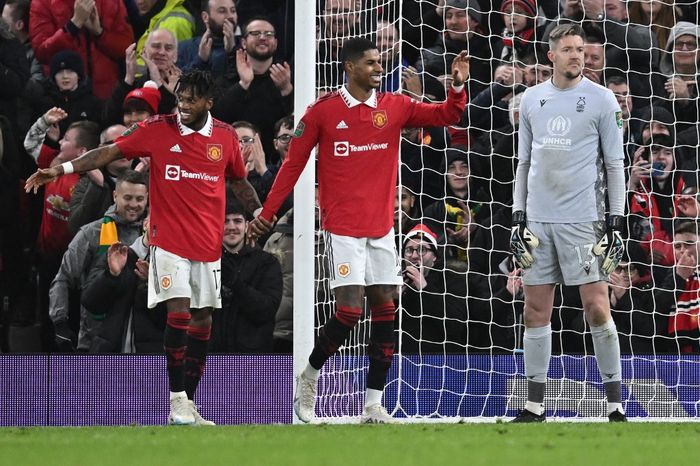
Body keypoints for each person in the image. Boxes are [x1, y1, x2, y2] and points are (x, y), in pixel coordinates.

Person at [248, 37, 469, 424]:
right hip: (343, 230)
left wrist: (456, 87)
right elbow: (293, 166)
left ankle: (373, 404)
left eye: (379, 61)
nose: (379, 68)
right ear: (349, 67)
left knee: (386, 311)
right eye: (370, 62)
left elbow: (446, 116)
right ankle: (310, 376)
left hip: (382, 230)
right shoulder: (322, 112)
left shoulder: (395, 107)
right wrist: (267, 213)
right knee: (349, 311)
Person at [25, 70, 261, 425]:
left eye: (192, 98)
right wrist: (61, 169)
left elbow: (240, 182)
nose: (183, 104)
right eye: (180, 96)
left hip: (207, 245)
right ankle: (177, 398)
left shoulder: (226, 137)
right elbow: (107, 152)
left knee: (202, 320)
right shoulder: (157, 129)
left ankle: (187, 403)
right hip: (167, 240)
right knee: (179, 312)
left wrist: (259, 211)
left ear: (208, 102)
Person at [509, 24, 627, 422]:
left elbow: (614, 164)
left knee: (596, 307)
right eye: (569, 50)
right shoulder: (531, 99)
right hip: (538, 222)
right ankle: (533, 405)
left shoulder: (602, 99)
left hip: (583, 221)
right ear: (551, 56)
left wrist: (615, 219)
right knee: (534, 310)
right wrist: (517, 215)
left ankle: (614, 404)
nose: (578, 56)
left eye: (581, 50)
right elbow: (524, 162)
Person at [49, 170, 147, 352]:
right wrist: (60, 322)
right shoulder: (90, 233)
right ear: (115, 196)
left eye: (139, 199)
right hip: (95, 340)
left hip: (139, 340)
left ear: (147, 198)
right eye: (128, 198)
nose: (134, 204)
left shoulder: (153, 236)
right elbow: (63, 278)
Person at [210, 197, 282, 353]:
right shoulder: (204, 263)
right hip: (211, 356)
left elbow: (267, 310)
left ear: (247, 225)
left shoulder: (267, 263)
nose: (231, 227)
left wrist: (235, 283)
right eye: (225, 221)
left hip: (253, 358)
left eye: (237, 221)